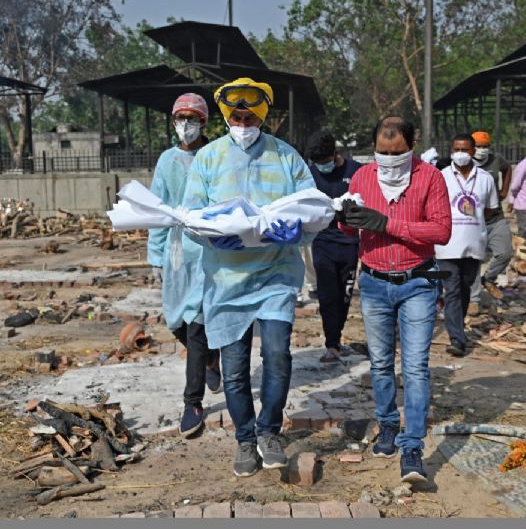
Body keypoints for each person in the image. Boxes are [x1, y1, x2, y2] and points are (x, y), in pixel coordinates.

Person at [182, 77, 313, 477]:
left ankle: (269, 430)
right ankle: (245, 438)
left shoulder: (286, 156)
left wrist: (299, 228)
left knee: (277, 355)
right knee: (235, 369)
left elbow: (312, 206)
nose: (242, 122)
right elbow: (188, 216)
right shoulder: (208, 159)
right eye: (235, 115)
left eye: (249, 115)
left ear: (261, 115)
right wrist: (213, 237)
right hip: (225, 281)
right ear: (224, 116)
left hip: (276, 273)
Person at [338, 116, 452, 483]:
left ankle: (412, 445)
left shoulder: (430, 178)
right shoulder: (362, 178)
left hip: (418, 279)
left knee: (416, 366)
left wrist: (386, 222)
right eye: (383, 153)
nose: (389, 159)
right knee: (380, 363)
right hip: (373, 282)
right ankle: (387, 424)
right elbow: (349, 226)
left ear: (411, 146)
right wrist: (345, 218)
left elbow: (441, 231)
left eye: (397, 152)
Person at [146, 93, 220, 438]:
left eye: (192, 118)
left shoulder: (215, 155)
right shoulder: (166, 161)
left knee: (196, 324)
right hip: (177, 251)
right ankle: (209, 359)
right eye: (181, 118)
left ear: (204, 122)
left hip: (208, 249)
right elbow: (157, 210)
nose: (186, 125)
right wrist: (155, 254)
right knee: (175, 320)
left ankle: (192, 401)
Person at [436, 134, 499, 357]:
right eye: (455, 149)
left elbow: (490, 209)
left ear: (473, 152)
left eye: (464, 149)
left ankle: (457, 328)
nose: (459, 154)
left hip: (473, 244)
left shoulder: (485, 179)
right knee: (451, 290)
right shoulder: (441, 177)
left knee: (464, 289)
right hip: (446, 245)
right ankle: (457, 339)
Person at [305, 130, 363, 363]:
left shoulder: (355, 171)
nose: (322, 167)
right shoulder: (309, 175)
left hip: (350, 243)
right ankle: (331, 344)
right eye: (318, 163)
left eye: (326, 162)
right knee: (327, 295)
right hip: (322, 242)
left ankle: (336, 339)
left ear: (335, 154)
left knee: (344, 295)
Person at [468, 130, 514, 316]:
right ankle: (473, 299)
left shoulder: (495, 160)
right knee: (473, 260)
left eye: (485, 146)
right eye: (478, 146)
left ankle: (489, 279)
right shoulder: (464, 163)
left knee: (504, 252)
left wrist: (504, 190)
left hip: (495, 217)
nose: (482, 150)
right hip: (471, 220)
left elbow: (507, 168)